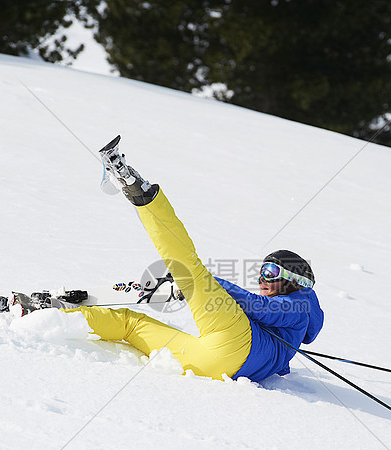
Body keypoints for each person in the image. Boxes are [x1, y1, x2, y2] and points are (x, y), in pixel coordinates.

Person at [59, 135, 324, 382]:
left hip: (238, 341)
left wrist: (208, 283)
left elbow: (259, 308)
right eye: (262, 270)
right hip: (211, 365)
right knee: (131, 325)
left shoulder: (301, 305)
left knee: (189, 268)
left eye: (271, 272)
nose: (261, 278)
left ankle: (140, 191)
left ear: (294, 281)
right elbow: (278, 359)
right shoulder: (291, 333)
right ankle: (58, 317)